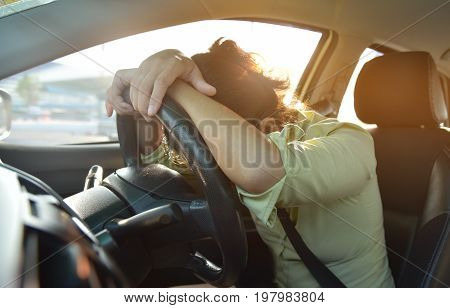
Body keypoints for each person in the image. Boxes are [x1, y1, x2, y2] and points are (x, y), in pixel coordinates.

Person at [105, 39, 395, 287]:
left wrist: (178, 88)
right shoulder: (227, 152)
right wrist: (151, 103)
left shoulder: (349, 142)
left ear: (263, 126)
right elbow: (162, 174)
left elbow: (261, 170)